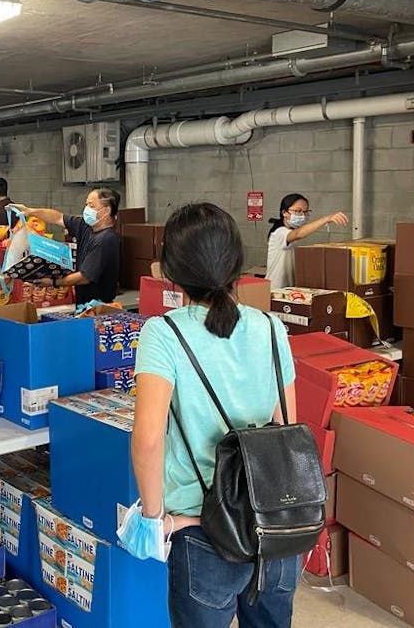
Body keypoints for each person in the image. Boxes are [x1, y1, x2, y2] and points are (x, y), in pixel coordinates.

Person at [130, 203, 299, 628]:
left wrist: (154, 520)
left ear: (171, 270)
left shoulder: (163, 333)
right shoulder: (271, 327)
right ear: (237, 263)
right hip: (275, 527)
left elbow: (148, 438)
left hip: (203, 530)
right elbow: (288, 430)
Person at [12, 188, 121, 304]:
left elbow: (84, 277)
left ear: (106, 211)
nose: (87, 209)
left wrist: (53, 282)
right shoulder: (86, 226)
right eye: (86, 204)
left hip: (99, 305)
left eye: (91, 206)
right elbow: (58, 217)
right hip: (83, 301)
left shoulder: (106, 239)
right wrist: (30, 211)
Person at [266, 194, 348, 290]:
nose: (302, 215)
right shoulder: (279, 232)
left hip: (289, 289)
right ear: (284, 212)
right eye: (298, 211)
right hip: (275, 289)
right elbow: (298, 234)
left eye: (305, 212)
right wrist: (326, 219)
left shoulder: (292, 230)